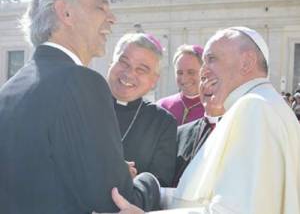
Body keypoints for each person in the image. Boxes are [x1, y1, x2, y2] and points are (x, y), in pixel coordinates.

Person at [0, 0, 160, 214]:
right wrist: (148, 182)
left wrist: (112, 168)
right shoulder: (80, 81)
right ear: (65, 12)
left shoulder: (10, 89)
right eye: (101, 7)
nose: (112, 18)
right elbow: (116, 200)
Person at [111, 26, 300, 214]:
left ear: (247, 62)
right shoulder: (266, 103)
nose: (204, 71)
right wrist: (153, 190)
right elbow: (207, 198)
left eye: (211, 59)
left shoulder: (256, 107)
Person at [107, 33, 177, 187]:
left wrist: (130, 180)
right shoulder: (81, 104)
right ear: (111, 63)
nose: (129, 73)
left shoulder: (163, 123)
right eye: (124, 62)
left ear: (154, 81)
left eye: (142, 69)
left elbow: (160, 183)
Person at [172, 75, 225, 186]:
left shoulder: (242, 129)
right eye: (203, 79)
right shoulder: (180, 134)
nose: (207, 85)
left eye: (215, 81)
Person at [157, 45, 205, 125]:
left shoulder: (215, 108)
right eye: (180, 73)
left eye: (191, 72)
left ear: (203, 72)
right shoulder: (162, 107)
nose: (184, 78)